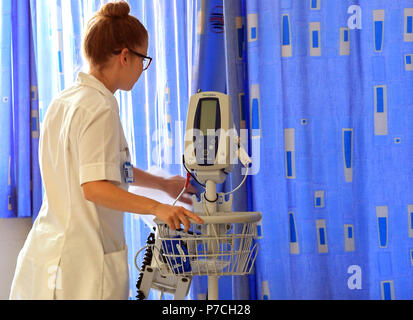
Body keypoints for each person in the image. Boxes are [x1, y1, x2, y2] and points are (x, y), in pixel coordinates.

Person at [9, 1, 203, 300]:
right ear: (125, 56)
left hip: (47, 254)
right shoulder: (99, 108)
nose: (143, 68)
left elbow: (105, 167)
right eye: (143, 59)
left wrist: (162, 184)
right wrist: (158, 208)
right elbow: (95, 188)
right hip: (82, 267)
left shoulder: (66, 100)